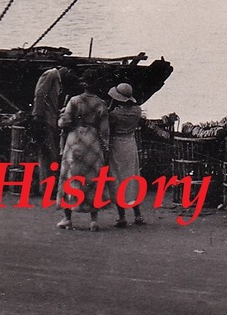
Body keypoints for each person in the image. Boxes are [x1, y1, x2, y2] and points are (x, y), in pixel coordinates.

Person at [57, 75, 110, 231]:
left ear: (84, 84)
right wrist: (105, 148)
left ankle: (67, 218)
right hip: (93, 142)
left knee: (70, 177)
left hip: (76, 141)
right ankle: (94, 219)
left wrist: (60, 120)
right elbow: (105, 130)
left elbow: (65, 121)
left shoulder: (74, 101)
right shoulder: (101, 103)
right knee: (93, 178)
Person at [106, 82, 147, 226]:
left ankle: (122, 216)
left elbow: (108, 124)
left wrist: (110, 107)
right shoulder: (137, 111)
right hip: (130, 143)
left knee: (117, 178)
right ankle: (138, 214)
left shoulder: (114, 114)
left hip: (116, 145)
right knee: (132, 177)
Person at [32, 66, 76, 192]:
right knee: (48, 154)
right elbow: (39, 94)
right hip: (45, 120)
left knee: (49, 154)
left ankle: (46, 186)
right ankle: (47, 187)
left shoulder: (58, 80)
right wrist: (37, 116)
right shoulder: (51, 74)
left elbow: (49, 100)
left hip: (50, 119)